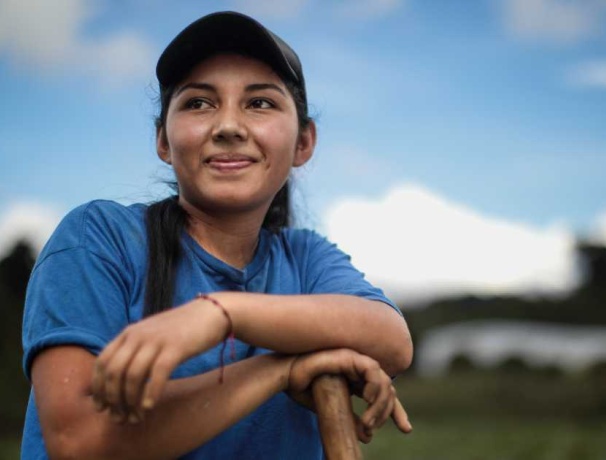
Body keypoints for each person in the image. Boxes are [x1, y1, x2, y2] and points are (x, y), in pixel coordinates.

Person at [21, 11, 413, 460]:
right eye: (198, 103)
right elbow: (79, 440)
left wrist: (221, 314)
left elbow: (393, 342)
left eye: (260, 103)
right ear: (164, 141)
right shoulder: (101, 238)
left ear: (304, 143)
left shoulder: (306, 260)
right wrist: (281, 368)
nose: (228, 126)